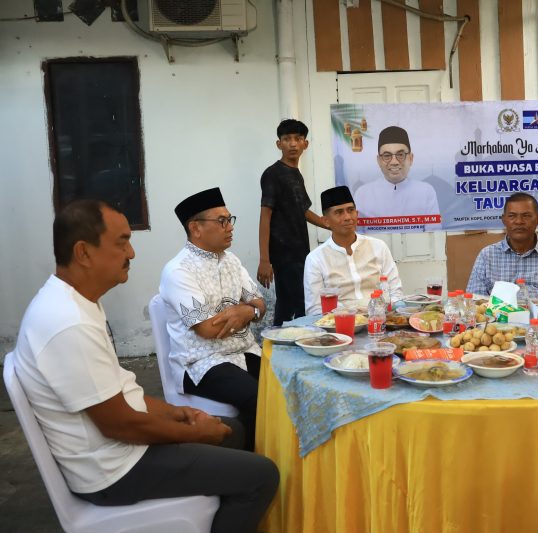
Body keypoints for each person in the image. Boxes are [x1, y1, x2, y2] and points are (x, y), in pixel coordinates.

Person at [13, 200, 278, 532]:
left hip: (117, 450)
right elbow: (119, 426)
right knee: (262, 475)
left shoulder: (76, 303)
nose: (132, 253)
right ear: (84, 253)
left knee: (233, 431)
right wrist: (191, 430)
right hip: (115, 470)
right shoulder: (67, 322)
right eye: (122, 242)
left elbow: (120, 392)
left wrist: (176, 413)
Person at [160, 187, 266, 450]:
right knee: (257, 396)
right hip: (202, 361)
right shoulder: (179, 270)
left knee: (287, 382)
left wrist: (246, 311)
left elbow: (260, 304)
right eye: (222, 221)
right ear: (195, 228)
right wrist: (247, 310)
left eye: (230, 219)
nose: (230, 227)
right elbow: (207, 329)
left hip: (244, 350)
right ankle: (253, 463)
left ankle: (282, 456)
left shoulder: (231, 261)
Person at [258, 119, 326, 325]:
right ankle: (291, 343)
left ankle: (278, 343)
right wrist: (264, 260)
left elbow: (303, 210)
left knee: (289, 304)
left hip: (300, 252)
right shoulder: (272, 174)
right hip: (283, 255)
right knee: (299, 304)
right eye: (287, 139)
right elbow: (265, 216)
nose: (293, 144)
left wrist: (329, 223)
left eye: (298, 139)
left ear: (306, 144)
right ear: (279, 144)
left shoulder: (296, 174)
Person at [466, 192, 538, 306]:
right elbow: (476, 299)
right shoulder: (487, 255)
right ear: (504, 220)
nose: (519, 221)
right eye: (512, 216)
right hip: (500, 322)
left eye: (526, 215)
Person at [304, 186, 403, 314]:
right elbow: (315, 309)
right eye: (339, 212)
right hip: (339, 324)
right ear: (326, 221)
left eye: (350, 210)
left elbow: (396, 293)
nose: (347, 217)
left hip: (380, 320)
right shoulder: (316, 258)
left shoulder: (378, 247)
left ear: (357, 214)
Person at [352, 125, 441, 224]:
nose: (394, 162)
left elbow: (433, 233)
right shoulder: (363, 194)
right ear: (379, 160)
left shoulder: (426, 191)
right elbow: (359, 234)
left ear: (411, 158)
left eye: (400, 155)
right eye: (387, 156)